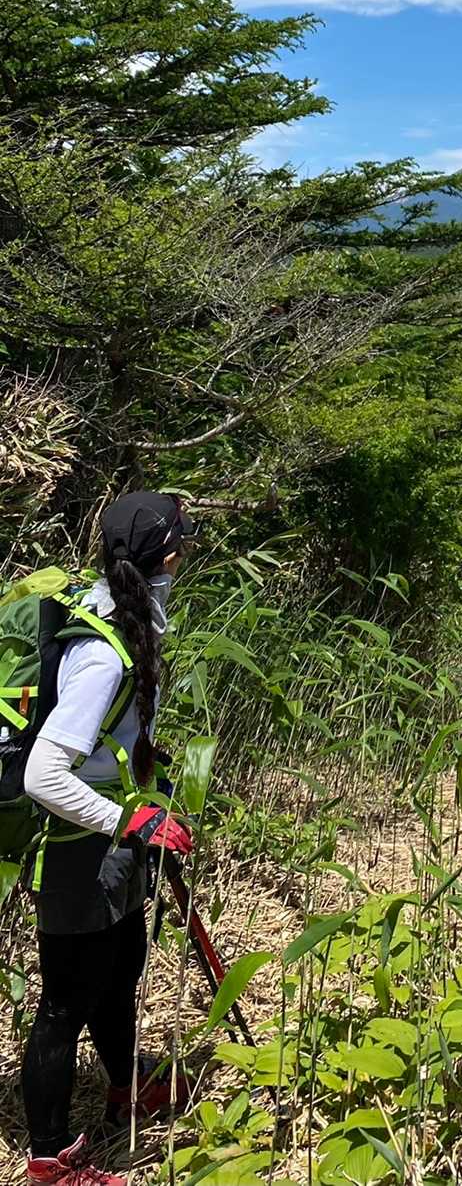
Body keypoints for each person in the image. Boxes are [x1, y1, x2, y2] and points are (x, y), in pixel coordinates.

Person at [20, 493, 196, 1186]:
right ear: (170, 558)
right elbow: (43, 774)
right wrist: (131, 820)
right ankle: (49, 1158)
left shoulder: (125, 619)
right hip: (75, 849)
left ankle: (127, 1087)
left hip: (110, 840)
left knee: (119, 974)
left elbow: (107, 739)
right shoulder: (100, 651)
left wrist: (144, 781)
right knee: (64, 1005)